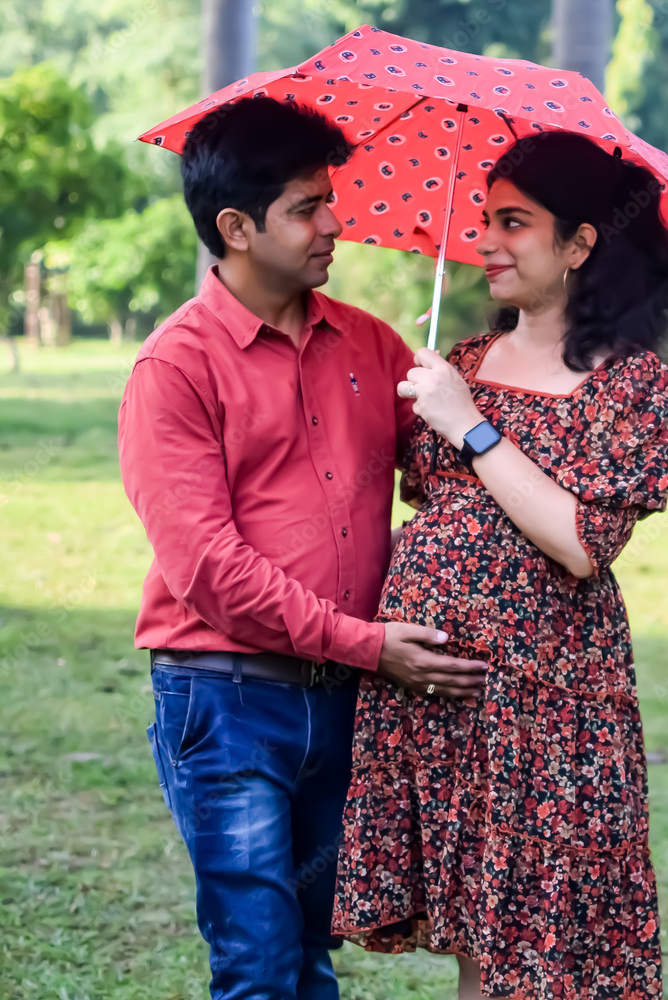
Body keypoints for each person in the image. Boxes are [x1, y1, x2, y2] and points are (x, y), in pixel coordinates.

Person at [118, 97, 488, 1000]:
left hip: (350, 706)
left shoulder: (368, 342)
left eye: (331, 198)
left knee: (310, 949)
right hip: (229, 698)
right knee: (258, 964)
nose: (335, 224)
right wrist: (370, 645)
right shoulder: (176, 367)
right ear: (237, 228)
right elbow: (206, 569)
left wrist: (465, 417)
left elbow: (448, 488)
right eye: (307, 207)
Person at [331, 131, 668, 1000]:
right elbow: (423, 498)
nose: (484, 242)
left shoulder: (627, 384)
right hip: (437, 695)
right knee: (479, 945)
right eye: (484, 220)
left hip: (548, 699)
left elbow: (579, 540)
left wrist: (470, 424)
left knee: (545, 947)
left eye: (513, 223)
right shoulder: (459, 365)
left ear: (579, 244)